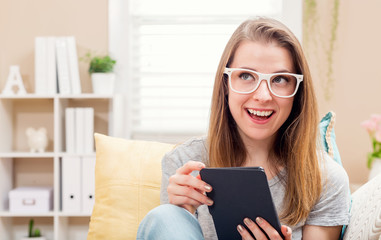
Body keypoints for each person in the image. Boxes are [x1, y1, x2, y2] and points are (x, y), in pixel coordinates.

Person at [136, 17, 350, 240]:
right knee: (165, 217)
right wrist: (181, 214)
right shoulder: (185, 163)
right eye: (246, 76)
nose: (263, 96)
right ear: (226, 84)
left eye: (280, 79)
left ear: (297, 92)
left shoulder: (326, 179)